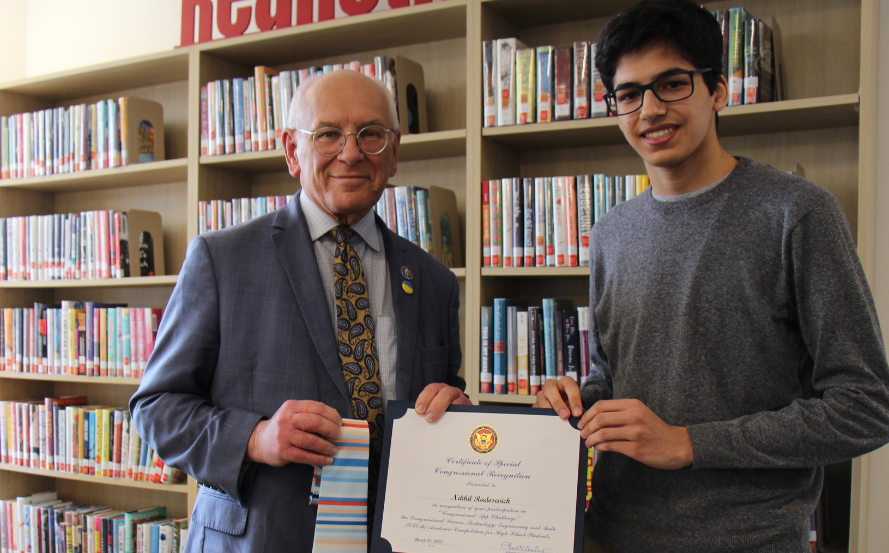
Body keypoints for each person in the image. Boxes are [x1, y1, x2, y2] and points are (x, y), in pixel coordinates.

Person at [534, 1, 889, 551]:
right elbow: (615, 375)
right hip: (612, 532)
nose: (649, 110)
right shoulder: (611, 233)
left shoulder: (798, 213)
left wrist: (690, 443)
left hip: (750, 540)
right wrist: (576, 401)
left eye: (672, 84)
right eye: (629, 94)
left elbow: (866, 408)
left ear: (718, 90)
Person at [130, 69, 470, 552]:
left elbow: (443, 396)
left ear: (393, 154)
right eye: (328, 134)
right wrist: (256, 438)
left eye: (371, 134)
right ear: (292, 151)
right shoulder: (221, 260)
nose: (350, 153)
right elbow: (155, 409)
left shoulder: (433, 280)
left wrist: (453, 412)